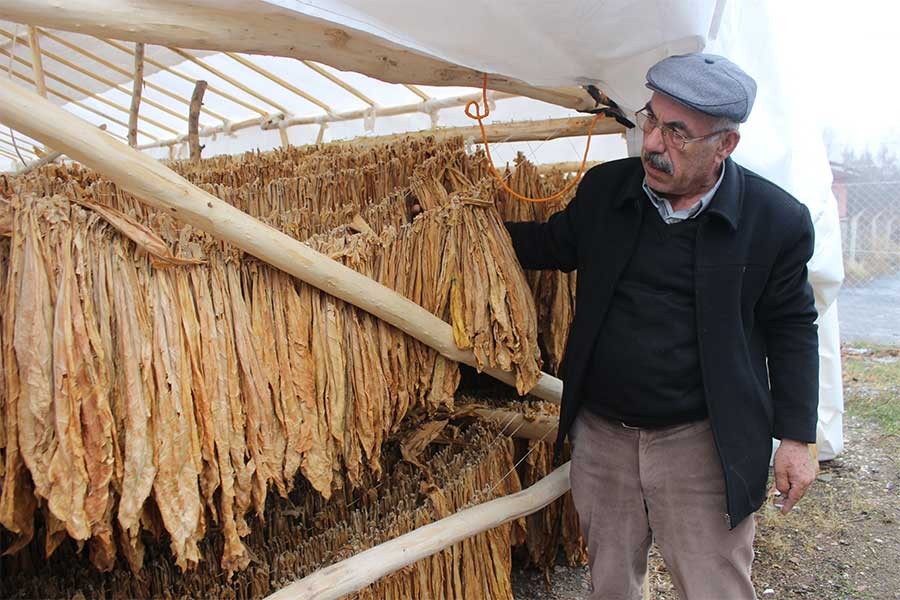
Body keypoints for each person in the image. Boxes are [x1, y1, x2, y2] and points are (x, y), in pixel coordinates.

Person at [504, 53, 819, 599]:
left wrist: (797, 438)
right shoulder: (607, 191)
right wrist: (468, 228)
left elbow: (793, 326)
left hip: (702, 443)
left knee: (714, 586)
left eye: (678, 132)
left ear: (725, 145)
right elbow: (553, 245)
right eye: (652, 119)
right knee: (611, 583)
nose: (652, 143)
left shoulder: (775, 222)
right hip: (603, 437)